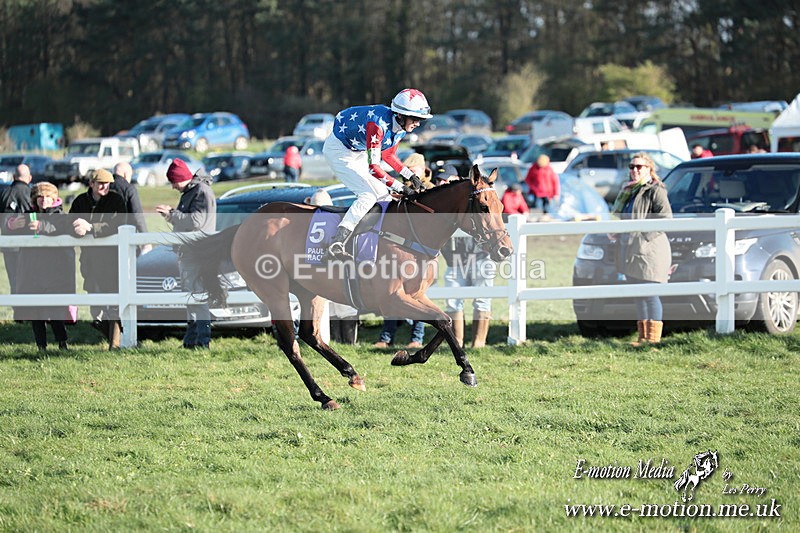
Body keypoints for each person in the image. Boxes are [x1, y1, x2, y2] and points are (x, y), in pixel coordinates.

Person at [322, 88, 432, 261]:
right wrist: (401, 187)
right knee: (366, 196)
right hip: (339, 151)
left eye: (421, 120)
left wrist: (410, 176)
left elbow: (388, 155)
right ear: (400, 115)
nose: (418, 123)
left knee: (383, 196)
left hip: (356, 150)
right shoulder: (377, 125)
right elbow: (374, 168)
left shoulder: (400, 127)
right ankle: (337, 242)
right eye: (416, 118)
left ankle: (371, 241)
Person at [609, 152, 672, 346]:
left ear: (649, 169)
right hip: (629, 250)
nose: (635, 170)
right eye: (632, 166)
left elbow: (665, 219)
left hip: (650, 251)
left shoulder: (655, 189)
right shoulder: (628, 191)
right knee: (639, 295)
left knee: (650, 295)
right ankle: (643, 338)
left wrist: (643, 236)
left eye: (639, 167)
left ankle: (653, 341)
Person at [155, 159, 217, 349]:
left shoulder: (200, 192)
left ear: (182, 178)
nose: (173, 187)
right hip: (191, 252)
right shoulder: (193, 191)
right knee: (191, 296)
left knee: (197, 295)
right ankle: (192, 340)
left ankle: (202, 340)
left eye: (174, 182)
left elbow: (197, 221)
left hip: (198, 253)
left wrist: (172, 215)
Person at [6, 182, 75, 350]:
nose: (44, 200)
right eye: (40, 197)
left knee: (56, 309)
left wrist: (42, 227)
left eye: (47, 197)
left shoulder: (60, 215)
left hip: (54, 270)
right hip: (32, 270)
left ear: (54, 198)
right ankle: (41, 346)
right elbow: (11, 231)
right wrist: (12, 225)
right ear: (35, 199)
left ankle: (62, 342)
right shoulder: (28, 215)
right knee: (35, 310)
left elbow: (60, 228)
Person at [70, 169, 128, 349]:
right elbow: (70, 222)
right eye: (101, 183)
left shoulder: (116, 200)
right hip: (89, 260)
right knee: (95, 305)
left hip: (111, 260)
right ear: (91, 184)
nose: (105, 187)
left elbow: (118, 223)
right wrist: (76, 228)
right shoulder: (80, 201)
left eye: (108, 183)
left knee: (113, 303)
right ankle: (114, 335)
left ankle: (116, 343)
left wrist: (91, 227)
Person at [1, 164, 33, 304]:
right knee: (28, 279)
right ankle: (28, 311)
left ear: (14, 177)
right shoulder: (32, 193)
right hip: (28, 245)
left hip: (9, 246)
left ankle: (18, 311)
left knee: (13, 279)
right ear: (30, 177)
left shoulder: (3, 193)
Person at [111, 161, 152, 255]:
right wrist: (146, 240)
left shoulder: (103, 188)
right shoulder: (129, 189)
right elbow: (137, 217)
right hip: (126, 238)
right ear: (126, 174)